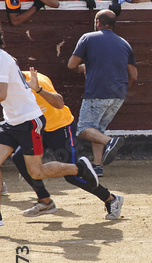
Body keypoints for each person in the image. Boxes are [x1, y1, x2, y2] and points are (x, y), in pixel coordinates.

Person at [0, 31, 105, 226]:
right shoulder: (7, 62)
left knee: (43, 173)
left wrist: (37, 88)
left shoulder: (6, 62)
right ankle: (43, 201)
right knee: (21, 162)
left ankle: (83, 172)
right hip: (16, 122)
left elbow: (3, 94)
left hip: (40, 123)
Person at [10, 67, 124, 220]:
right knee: (19, 158)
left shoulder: (35, 80)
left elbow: (59, 103)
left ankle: (110, 199)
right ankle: (45, 201)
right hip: (38, 130)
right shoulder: (10, 87)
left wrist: (38, 89)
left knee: (72, 175)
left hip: (61, 128)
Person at [66, 10, 137, 178]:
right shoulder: (124, 43)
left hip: (97, 92)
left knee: (84, 129)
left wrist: (80, 67)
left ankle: (110, 141)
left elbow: (71, 65)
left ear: (98, 22)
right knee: (97, 129)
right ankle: (98, 166)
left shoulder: (88, 38)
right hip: (118, 95)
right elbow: (133, 75)